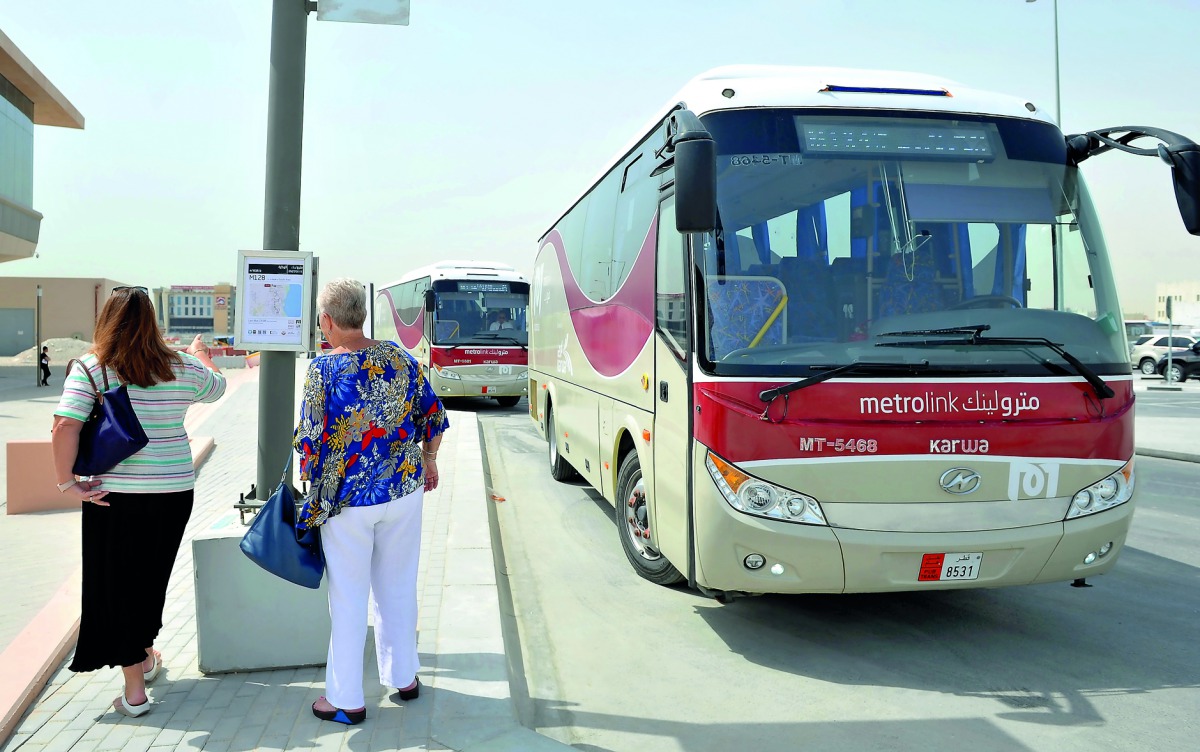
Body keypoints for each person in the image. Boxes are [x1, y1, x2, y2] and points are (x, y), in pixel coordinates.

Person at [50, 287, 226, 718]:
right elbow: (218, 388)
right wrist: (199, 354)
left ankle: (134, 693)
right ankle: (144, 656)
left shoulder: (93, 368)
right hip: (173, 492)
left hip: (115, 496)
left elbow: (63, 427)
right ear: (152, 320)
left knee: (119, 586)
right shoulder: (180, 366)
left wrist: (65, 484)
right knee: (150, 578)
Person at [294, 278, 448, 726]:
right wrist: (429, 459)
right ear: (361, 315)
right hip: (403, 492)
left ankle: (346, 701)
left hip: (347, 502)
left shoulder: (323, 371)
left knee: (348, 597)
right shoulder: (400, 357)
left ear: (327, 321)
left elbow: (310, 443)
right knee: (397, 586)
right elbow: (434, 416)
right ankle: (405, 679)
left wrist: (314, 490)